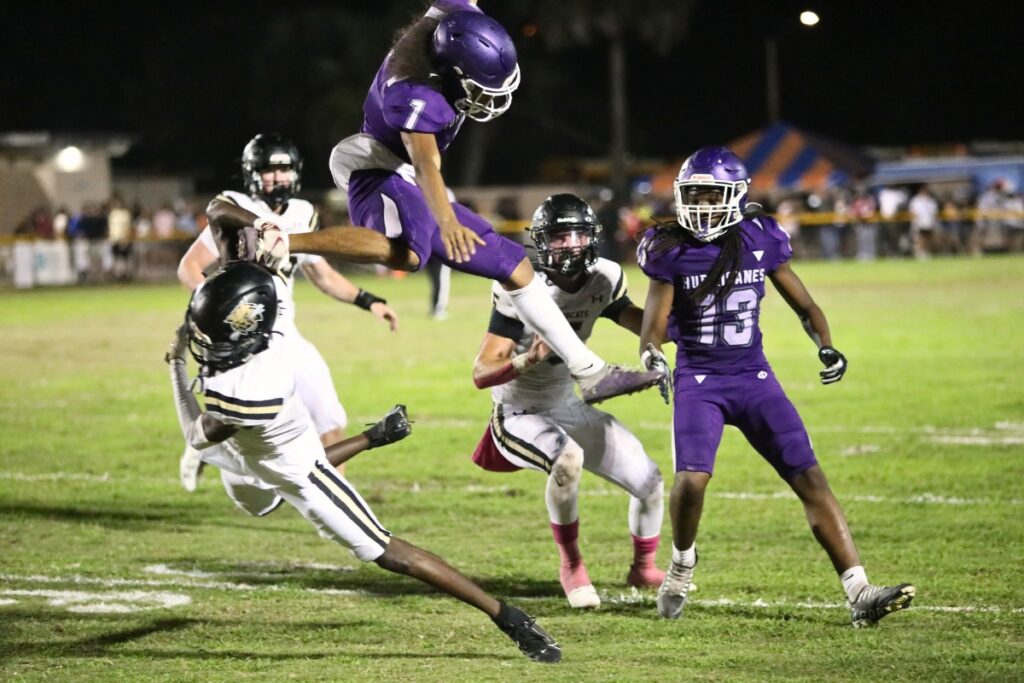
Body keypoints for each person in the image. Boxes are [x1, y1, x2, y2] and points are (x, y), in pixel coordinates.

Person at [219, 0, 661, 406]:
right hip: (375, 167)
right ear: (451, 71)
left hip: (404, 173)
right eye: (482, 88)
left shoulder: (452, 22)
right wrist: (446, 219)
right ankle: (279, 240)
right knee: (411, 251)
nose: (491, 100)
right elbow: (426, 163)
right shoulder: (414, 94)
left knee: (514, 264)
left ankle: (592, 372)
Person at [165, 261, 561, 663]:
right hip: (266, 460)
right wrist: (257, 245)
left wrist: (176, 363)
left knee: (389, 552)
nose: (209, 341)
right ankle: (371, 438)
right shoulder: (275, 309)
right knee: (268, 495)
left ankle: (509, 617)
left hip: (264, 460)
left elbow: (197, 434)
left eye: (216, 333)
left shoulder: (249, 392)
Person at [637, 146, 915, 628]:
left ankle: (858, 589)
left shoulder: (760, 238)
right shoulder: (670, 248)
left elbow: (806, 307)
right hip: (700, 380)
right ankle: (682, 562)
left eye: (712, 195)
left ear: (737, 196)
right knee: (692, 480)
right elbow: (653, 325)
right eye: (694, 195)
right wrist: (651, 355)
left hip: (754, 377)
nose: (701, 206)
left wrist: (825, 344)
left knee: (810, 478)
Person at [470, 194, 668, 609]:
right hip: (518, 411)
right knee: (567, 460)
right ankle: (572, 564)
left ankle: (644, 568)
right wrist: (526, 360)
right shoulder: (520, 284)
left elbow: (636, 319)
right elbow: (482, 372)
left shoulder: (606, 276)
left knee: (649, 481)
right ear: (542, 242)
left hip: (568, 403)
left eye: (579, 234)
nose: (572, 245)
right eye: (560, 237)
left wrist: (675, 323)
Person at [177, 133, 399, 492]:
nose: (278, 178)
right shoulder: (234, 207)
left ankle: (339, 501)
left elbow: (322, 275)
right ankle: (201, 447)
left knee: (328, 418)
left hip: (286, 337)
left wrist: (368, 300)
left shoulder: (301, 212)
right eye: (269, 170)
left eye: (284, 170)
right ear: (252, 173)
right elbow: (189, 268)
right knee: (234, 424)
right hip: (243, 340)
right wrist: (216, 307)